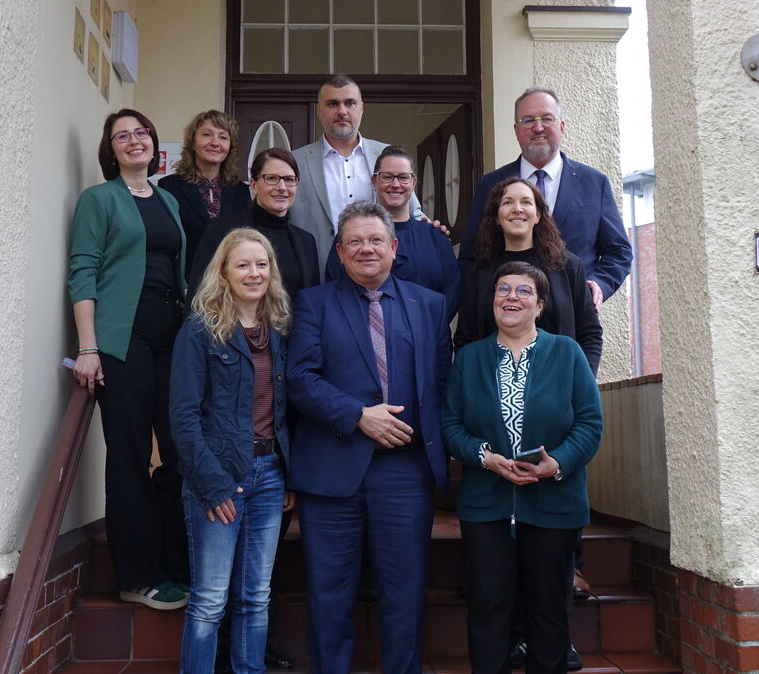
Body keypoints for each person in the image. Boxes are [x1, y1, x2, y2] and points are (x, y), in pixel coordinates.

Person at [286, 201, 451, 674]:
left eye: (375, 240)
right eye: (354, 241)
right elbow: (300, 378)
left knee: (404, 596)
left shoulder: (431, 306)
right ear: (339, 252)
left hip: (404, 472)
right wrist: (358, 416)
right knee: (329, 597)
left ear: (394, 247)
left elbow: (440, 383)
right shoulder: (313, 303)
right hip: (332, 472)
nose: (365, 249)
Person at [443, 261, 603, 674]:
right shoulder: (470, 359)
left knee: (548, 614)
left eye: (523, 291)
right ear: (491, 300)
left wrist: (557, 464)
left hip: (554, 505)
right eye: (502, 289)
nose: (511, 297)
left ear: (541, 304)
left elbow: (590, 423)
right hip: (487, 507)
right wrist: (484, 456)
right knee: (488, 611)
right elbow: (451, 425)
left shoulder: (566, 352)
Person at [67, 108, 189, 610]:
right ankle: (137, 577)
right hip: (123, 337)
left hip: (171, 334)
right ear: (110, 150)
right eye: (122, 136)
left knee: (181, 448)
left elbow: (178, 267)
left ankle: (177, 565)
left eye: (141, 133)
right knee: (131, 452)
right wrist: (88, 348)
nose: (134, 140)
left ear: (154, 144)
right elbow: (83, 271)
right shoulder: (99, 200)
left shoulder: (167, 200)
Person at [170, 228, 296, 674]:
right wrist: (212, 484)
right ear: (223, 271)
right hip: (218, 478)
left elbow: (285, 410)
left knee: (255, 598)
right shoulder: (200, 330)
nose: (254, 273)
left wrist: (287, 474)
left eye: (261, 264)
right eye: (242, 264)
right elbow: (183, 417)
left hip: (270, 476)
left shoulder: (280, 327)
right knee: (209, 600)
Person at [460, 87, 632, 312]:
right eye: (528, 120)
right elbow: (471, 256)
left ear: (562, 126)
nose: (538, 128)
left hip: (571, 318)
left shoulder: (593, 183)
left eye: (547, 119)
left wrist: (599, 285)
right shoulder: (490, 185)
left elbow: (618, 252)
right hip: (505, 320)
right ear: (516, 129)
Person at [455, 177, 602, 374]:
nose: (517, 209)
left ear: (538, 214)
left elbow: (590, 333)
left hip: (559, 387)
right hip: (495, 391)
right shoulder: (478, 273)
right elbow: (465, 339)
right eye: (507, 202)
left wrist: (582, 382)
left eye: (526, 202)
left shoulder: (568, 266)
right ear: (497, 217)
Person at [290, 75, 422, 273]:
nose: (342, 111)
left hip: (379, 275)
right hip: (317, 275)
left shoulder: (387, 155)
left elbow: (413, 213)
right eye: (332, 103)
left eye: (349, 103)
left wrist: (432, 228)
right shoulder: (295, 162)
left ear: (361, 108)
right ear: (319, 110)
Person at [326, 145, 460, 322]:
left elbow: (452, 290)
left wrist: (428, 329)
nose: (395, 184)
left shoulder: (436, 237)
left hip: (428, 338)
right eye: (387, 177)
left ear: (414, 183)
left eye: (403, 178)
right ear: (374, 182)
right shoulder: (351, 236)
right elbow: (335, 287)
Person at [189, 148, 319, 299]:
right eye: (271, 178)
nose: (282, 187)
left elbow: (311, 303)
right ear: (254, 185)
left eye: (289, 179)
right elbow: (199, 294)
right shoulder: (221, 230)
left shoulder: (306, 242)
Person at [158, 110, 252, 270]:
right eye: (207, 134)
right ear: (193, 142)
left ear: (230, 147)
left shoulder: (241, 191)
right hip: (186, 284)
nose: (215, 142)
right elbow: (165, 244)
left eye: (223, 137)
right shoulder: (169, 187)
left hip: (231, 283)